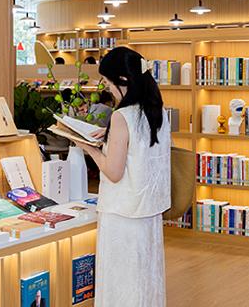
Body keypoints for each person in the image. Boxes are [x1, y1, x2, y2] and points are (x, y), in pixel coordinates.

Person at [71, 46, 171, 307]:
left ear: (122, 80)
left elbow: (114, 172)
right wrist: (107, 137)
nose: (107, 88)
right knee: (144, 280)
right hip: (148, 210)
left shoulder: (121, 116)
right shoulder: (157, 110)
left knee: (120, 283)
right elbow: (140, 149)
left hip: (122, 213)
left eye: (107, 82)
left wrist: (90, 148)